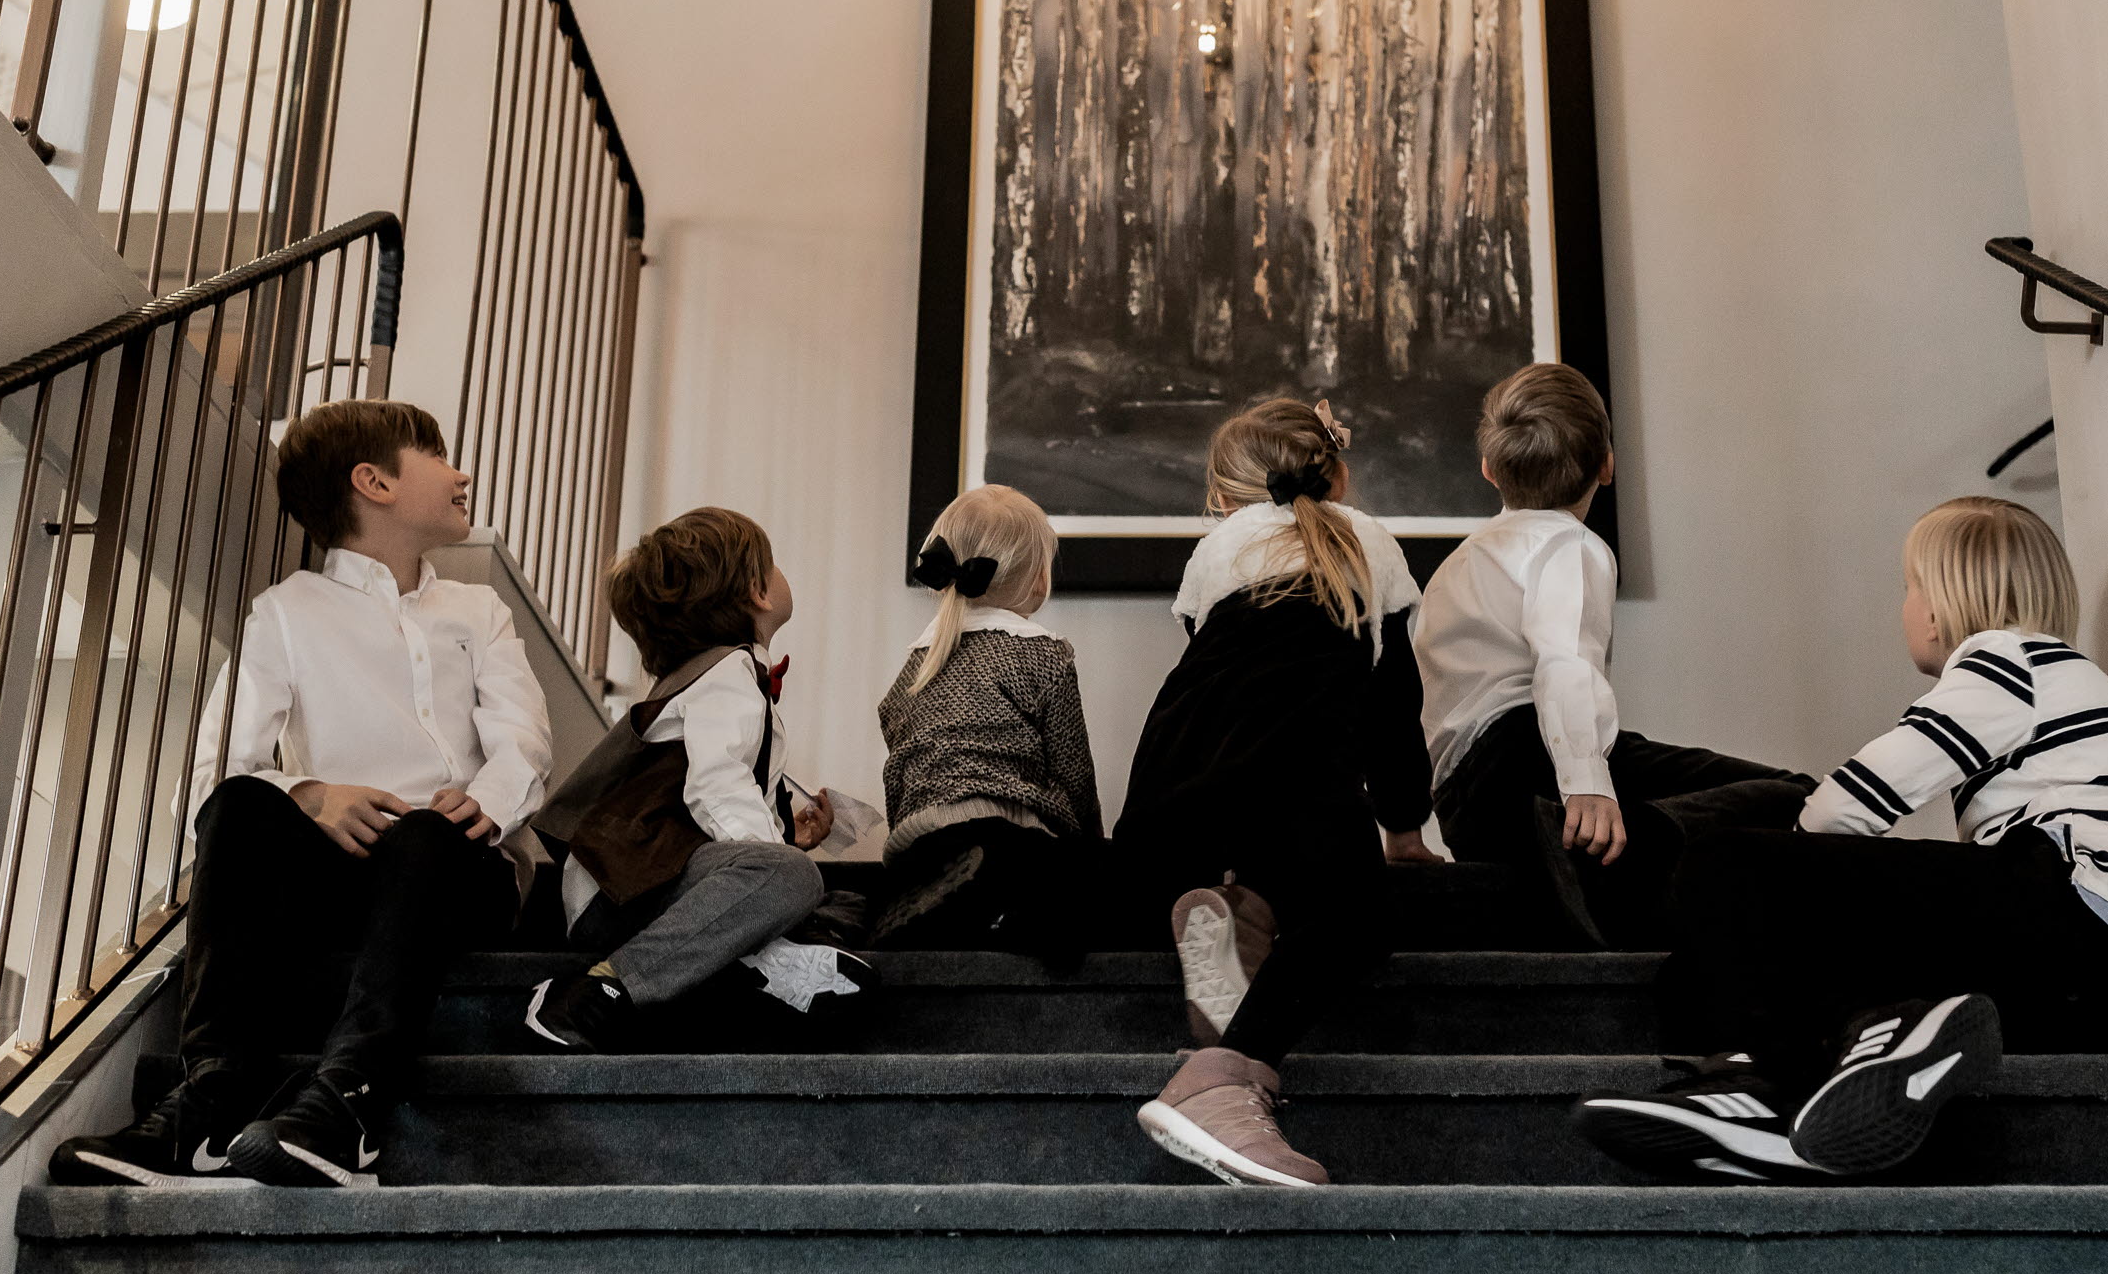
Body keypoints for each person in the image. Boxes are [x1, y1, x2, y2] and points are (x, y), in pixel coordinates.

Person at [1577, 496, 2108, 1184]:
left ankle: (1755, 1086)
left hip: (2082, 924)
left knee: (1727, 864)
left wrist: (1778, 877)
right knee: (1744, 951)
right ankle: (1825, 1068)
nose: (1903, 606)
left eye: (1908, 587)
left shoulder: (2006, 658)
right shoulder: (2061, 684)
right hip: (2104, 1001)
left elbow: (1848, 804)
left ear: (1938, 605)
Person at [51, 401, 552, 1188]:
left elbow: (523, 734)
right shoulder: (286, 613)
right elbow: (217, 769)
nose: (461, 473)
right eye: (436, 455)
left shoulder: (477, 612)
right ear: (374, 481)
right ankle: (213, 1095)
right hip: (340, 880)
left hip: (459, 872)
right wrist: (310, 792)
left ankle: (347, 1104)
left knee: (424, 834)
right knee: (239, 807)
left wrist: (490, 797)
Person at [1117, 398, 1434, 1188]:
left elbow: (1213, 693)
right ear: (1336, 471)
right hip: (1301, 767)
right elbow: (1394, 707)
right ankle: (1222, 1078)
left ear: (1223, 496)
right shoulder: (1373, 544)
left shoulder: (1217, 550)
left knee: (1275, 859)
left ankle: (1240, 913)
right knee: (1359, 920)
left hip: (1171, 781)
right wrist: (1402, 826)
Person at [1416, 363, 1811, 948]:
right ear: (1607, 463)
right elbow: (1564, 660)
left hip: (1465, 806)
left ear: (1488, 470)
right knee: (1793, 794)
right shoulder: (1570, 543)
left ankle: (1591, 875)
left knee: (1655, 791)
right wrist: (1586, 780)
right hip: (1533, 758)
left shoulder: (1456, 565)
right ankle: (1613, 858)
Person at [522, 507, 831, 1051]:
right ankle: (600, 990)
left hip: (642, 881)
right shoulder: (728, 671)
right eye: (773, 564)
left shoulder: (712, 672)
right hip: (625, 887)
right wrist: (778, 862)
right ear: (758, 591)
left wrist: (785, 838)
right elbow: (715, 785)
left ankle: (762, 965)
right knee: (794, 880)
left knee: (805, 886)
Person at [868, 485, 1100, 951]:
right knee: (1080, 909)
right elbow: (1073, 773)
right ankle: (1013, 916)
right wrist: (1090, 851)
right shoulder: (1042, 653)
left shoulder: (916, 664)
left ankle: (933, 902)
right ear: (1037, 578)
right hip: (1002, 837)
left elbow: (900, 768)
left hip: (918, 840)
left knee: (976, 876)